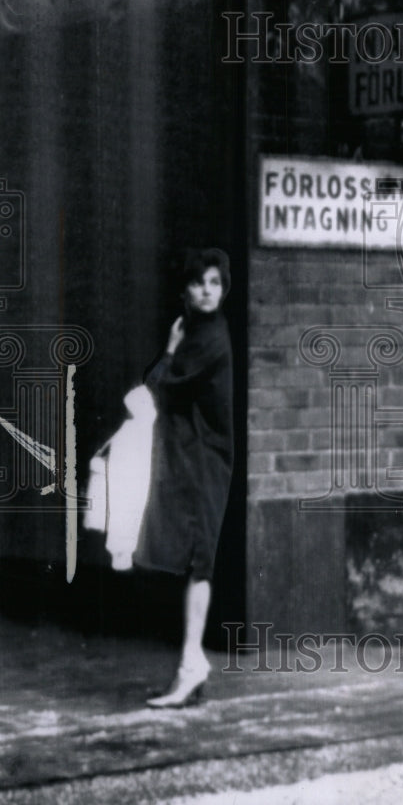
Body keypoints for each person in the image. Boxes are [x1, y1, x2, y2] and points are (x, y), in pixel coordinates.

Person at [133, 247, 234, 708]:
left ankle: (192, 664)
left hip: (200, 463)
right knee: (195, 561)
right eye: (199, 283)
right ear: (185, 291)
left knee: (198, 562)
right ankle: (191, 663)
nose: (208, 290)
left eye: (215, 282)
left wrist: (170, 352)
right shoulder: (201, 333)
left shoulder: (207, 339)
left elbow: (156, 386)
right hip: (192, 459)